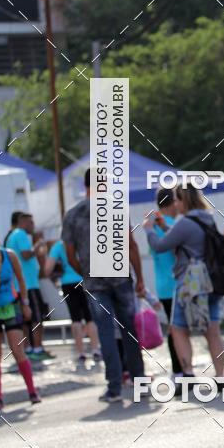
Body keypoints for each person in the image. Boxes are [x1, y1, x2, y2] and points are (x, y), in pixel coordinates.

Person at [62, 168, 146, 403]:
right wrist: (140, 277)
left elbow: (69, 255)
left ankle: (114, 388)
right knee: (129, 330)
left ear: (85, 185)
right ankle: (139, 381)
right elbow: (131, 245)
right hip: (121, 279)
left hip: (95, 283)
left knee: (106, 333)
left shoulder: (73, 214)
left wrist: (85, 273)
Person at [144, 186, 224, 384]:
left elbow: (161, 246)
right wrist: (164, 227)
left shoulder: (185, 222)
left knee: (178, 329)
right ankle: (221, 377)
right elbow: (182, 238)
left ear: (184, 200)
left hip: (189, 283)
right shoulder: (206, 218)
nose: (175, 204)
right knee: (212, 331)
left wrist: (148, 230)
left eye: (177, 200)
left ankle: (187, 374)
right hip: (211, 282)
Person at [0, 225, 41, 409]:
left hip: (11, 306)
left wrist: (25, 303)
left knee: (17, 349)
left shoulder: (9, 255)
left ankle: (32, 391)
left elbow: (21, 280)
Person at [43, 238, 102, 367]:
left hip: (67, 283)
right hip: (85, 279)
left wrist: (56, 276)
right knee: (90, 317)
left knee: (75, 319)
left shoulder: (58, 246)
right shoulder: (83, 240)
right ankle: (95, 350)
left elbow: (47, 269)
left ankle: (81, 353)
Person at [5, 212, 52, 360]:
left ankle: (29, 349)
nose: (33, 226)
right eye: (31, 223)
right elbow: (26, 254)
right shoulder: (20, 234)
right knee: (36, 318)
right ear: (23, 222)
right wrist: (38, 244)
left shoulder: (11, 236)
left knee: (25, 320)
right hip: (29, 285)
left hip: (19, 285)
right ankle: (37, 349)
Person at [149, 188, 183, 378]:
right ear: (173, 202)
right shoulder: (173, 225)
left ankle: (178, 370)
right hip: (178, 284)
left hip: (163, 286)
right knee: (180, 330)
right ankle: (182, 370)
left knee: (174, 329)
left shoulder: (153, 225)